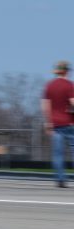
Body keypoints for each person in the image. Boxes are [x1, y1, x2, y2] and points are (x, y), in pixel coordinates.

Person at [42, 60, 74, 188]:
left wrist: (48, 122)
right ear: (66, 71)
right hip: (70, 124)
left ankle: (60, 179)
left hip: (55, 125)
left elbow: (45, 106)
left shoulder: (49, 86)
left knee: (57, 154)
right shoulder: (69, 85)